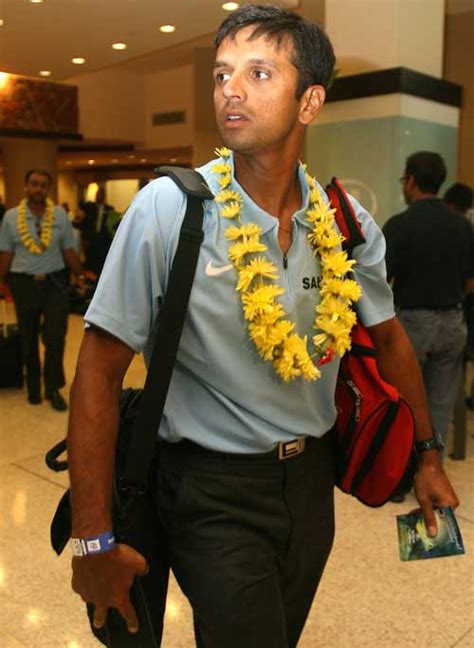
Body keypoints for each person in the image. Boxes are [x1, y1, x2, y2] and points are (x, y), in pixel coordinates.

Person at [68, 6, 459, 647]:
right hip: (208, 488)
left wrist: (427, 456)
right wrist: (93, 537)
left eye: (257, 72)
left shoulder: (345, 222)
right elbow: (97, 370)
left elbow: (391, 343)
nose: (231, 89)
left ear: (310, 101)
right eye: (222, 73)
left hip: (311, 485)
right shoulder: (171, 208)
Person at [383, 152, 474, 455]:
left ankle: (402, 472)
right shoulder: (462, 226)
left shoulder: (399, 225)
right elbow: (470, 281)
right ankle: (432, 468)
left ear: (410, 180)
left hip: (411, 323)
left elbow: (381, 280)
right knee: (440, 402)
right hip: (453, 322)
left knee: (404, 401)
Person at [0, 169, 85, 411]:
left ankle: (53, 388)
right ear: (26, 188)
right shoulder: (10, 217)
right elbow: (6, 253)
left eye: (43, 185)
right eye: (34, 184)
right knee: (27, 337)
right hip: (23, 283)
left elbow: (69, 250)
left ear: (48, 190)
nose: (39, 189)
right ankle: (34, 386)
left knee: (55, 338)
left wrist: (82, 275)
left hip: (55, 283)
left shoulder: (59, 216)